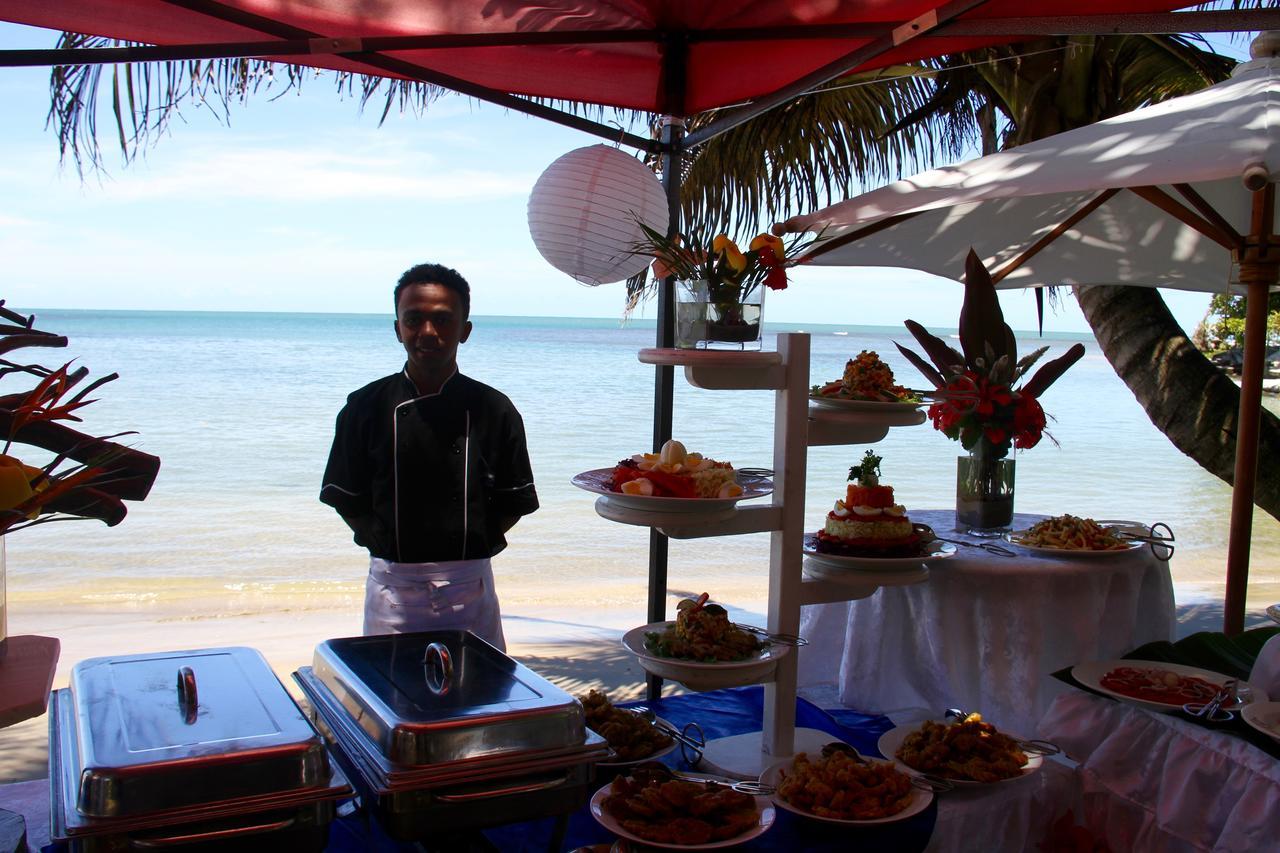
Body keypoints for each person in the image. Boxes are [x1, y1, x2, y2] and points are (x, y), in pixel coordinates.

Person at [320, 263, 538, 650]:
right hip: (393, 591)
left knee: (477, 701)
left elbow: (515, 499)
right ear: (397, 328)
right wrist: (382, 540)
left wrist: (472, 547)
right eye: (413, 319)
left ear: (465, 330)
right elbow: (346, 497)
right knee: (393, 700)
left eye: (442, 320)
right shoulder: (365, 407)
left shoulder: (494, 408)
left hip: (470, 587)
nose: (427, 333)